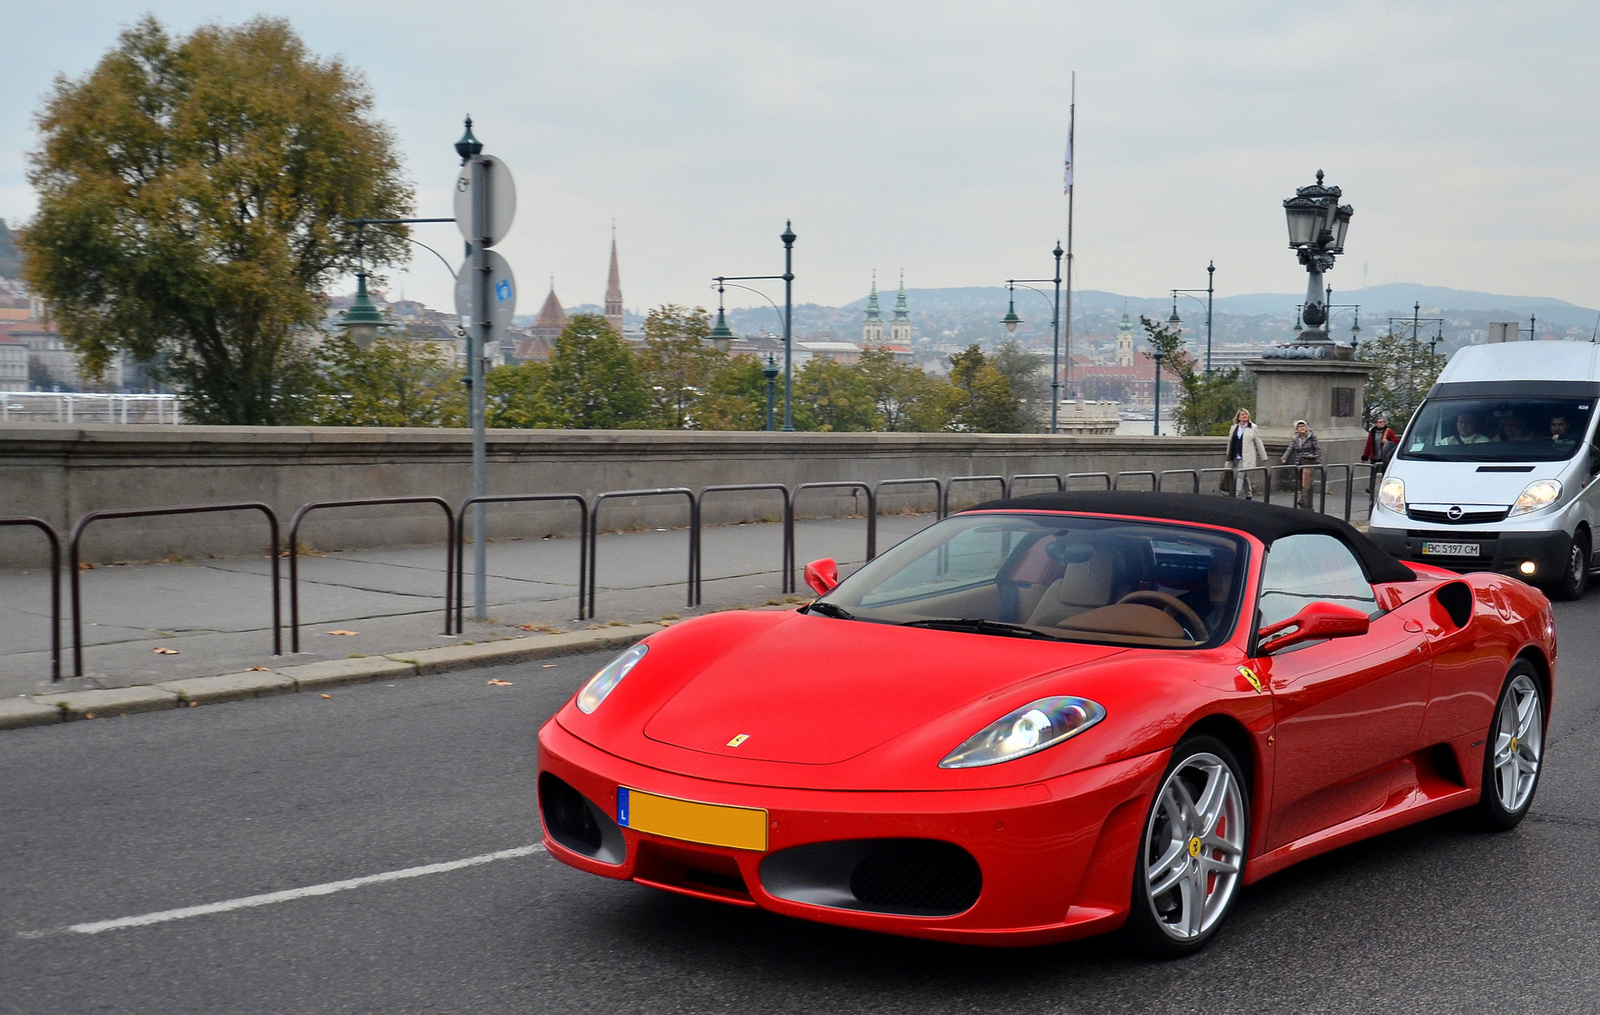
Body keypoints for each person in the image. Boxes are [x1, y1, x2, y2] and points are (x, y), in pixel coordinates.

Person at [1225, 408, 1268, 500]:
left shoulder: (1252, 427)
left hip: (1246, 456)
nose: (1244, 416)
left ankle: (1234, 495)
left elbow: (1258, 442)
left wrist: (1263, 456)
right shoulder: (1234, 427)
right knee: (1243, 475)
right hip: (1235, 454)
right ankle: (1249, 494)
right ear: (1238, 417)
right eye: (1242, 414)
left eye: (1246, 414)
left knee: (1239, 474)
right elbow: (1230, 442)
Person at [1281, 419, 1322, 509]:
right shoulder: (1295, 438)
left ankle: (1306, 499)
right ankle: (1303, 498)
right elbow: (1290, 449)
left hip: (1309, 461)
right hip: (1299, 461)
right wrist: (1284, 458)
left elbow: (1317, 448)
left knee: (1307, 481)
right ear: (1296, 429)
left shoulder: (1311, 436)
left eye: (1303, 426)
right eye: (1299, 427)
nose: (1302, 428)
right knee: (1301, 481)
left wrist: (1318, 460)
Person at [1361, 415, 1399, 491]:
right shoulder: (1372, 432)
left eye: (1383, 422)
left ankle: (1385, 489)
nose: (1382, 423)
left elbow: (1397, 441)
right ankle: (1371, 488)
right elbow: (1369, 445)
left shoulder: (1389, 432)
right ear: (1376, 424)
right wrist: (1365, 456)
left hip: (1384, 456)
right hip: (1374, 456)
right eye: (1380, 422)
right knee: (1373, 473)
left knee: (1384, 473)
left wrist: (1388, 442)